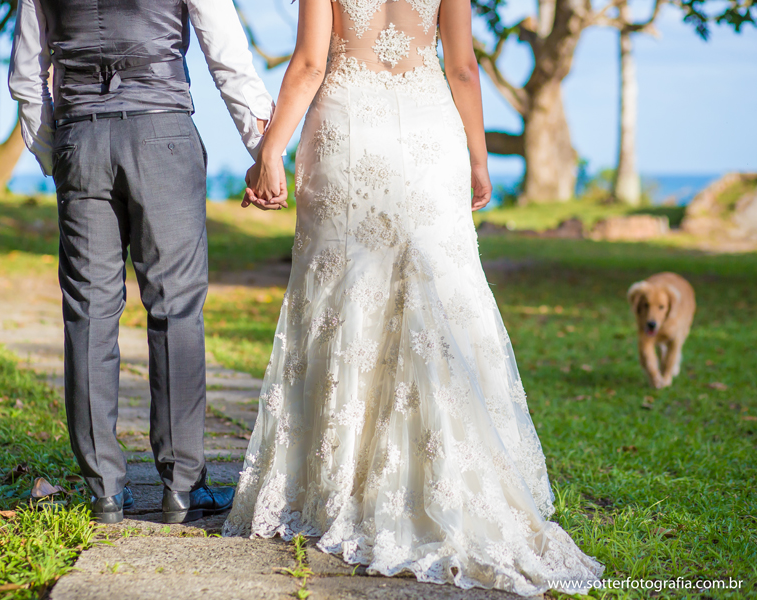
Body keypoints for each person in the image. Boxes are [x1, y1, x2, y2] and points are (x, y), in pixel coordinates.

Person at [222, 0, 604, 594]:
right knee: (442, 297)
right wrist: (478, 157)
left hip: (349, 132)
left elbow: (309, 63)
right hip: (431, 137)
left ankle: (333, 484)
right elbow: (462, 68)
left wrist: (270, 148)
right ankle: (442, 481)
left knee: (341, 299)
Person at [8, 0, 285, 524]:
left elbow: (26, 75)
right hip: (163, 136)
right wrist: (262, 150)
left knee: (88, 313)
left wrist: (58, 152)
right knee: (176, 309)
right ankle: (182, 487)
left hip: (81, 135)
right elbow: (225, 54)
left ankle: (105, 491)